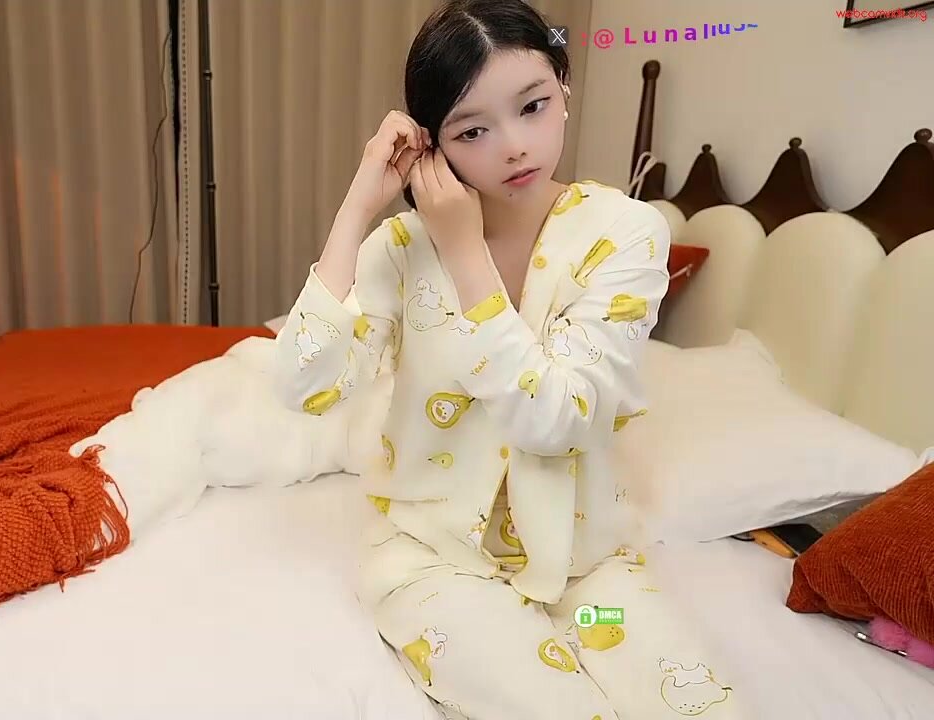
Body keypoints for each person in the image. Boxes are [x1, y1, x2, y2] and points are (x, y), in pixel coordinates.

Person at [273, 1, 745, 718]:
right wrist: (358, 208)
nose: (516, 146)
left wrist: (466, 254)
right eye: (473, 131)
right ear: (433, 147)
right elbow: (303, 386)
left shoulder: (625, 234)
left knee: (697, 706)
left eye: (533, 106)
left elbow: (556, 419)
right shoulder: (404, 249)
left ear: (564, 91)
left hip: (588, 580)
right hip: (435, 566)